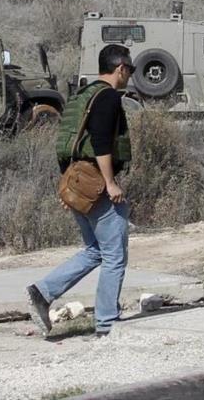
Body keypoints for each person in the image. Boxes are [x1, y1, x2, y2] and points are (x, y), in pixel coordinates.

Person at [26, 44, 134, 337]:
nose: (130, 76)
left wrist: (69, 186)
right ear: (120, 68)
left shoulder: (81, 96)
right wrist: (110, 183)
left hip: (78, 181)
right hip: (96, 183)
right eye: (130, 70)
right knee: (113, 256)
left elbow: (64, 144)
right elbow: (100, 141)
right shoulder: (108, 97)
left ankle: (42, 292)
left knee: (93, 252)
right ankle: (107, 323)